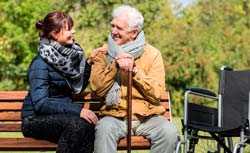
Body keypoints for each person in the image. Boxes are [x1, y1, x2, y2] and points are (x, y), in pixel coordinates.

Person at [90, 5, 178, 153]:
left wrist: (135, 71)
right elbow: (96, 90)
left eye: (119, 28)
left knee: (169, 133)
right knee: (104, 129)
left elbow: (157, 93)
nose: (113, 31)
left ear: (134, 32)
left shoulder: (153, 54)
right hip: (115, 116)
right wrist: (115, 67)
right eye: (112, 26)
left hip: (148, 118)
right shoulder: (102, 54)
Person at [21, 11, 98, 153]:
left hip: (61, 116)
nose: (73, 31)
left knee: (87, 127)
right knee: (77, 125)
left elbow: (77, 88)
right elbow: (41, 104)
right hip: (35, 119)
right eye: (69, 29)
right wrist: (78, 111)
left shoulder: (68, 59)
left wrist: (88, 63)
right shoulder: (40, 63)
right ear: (55, 34)